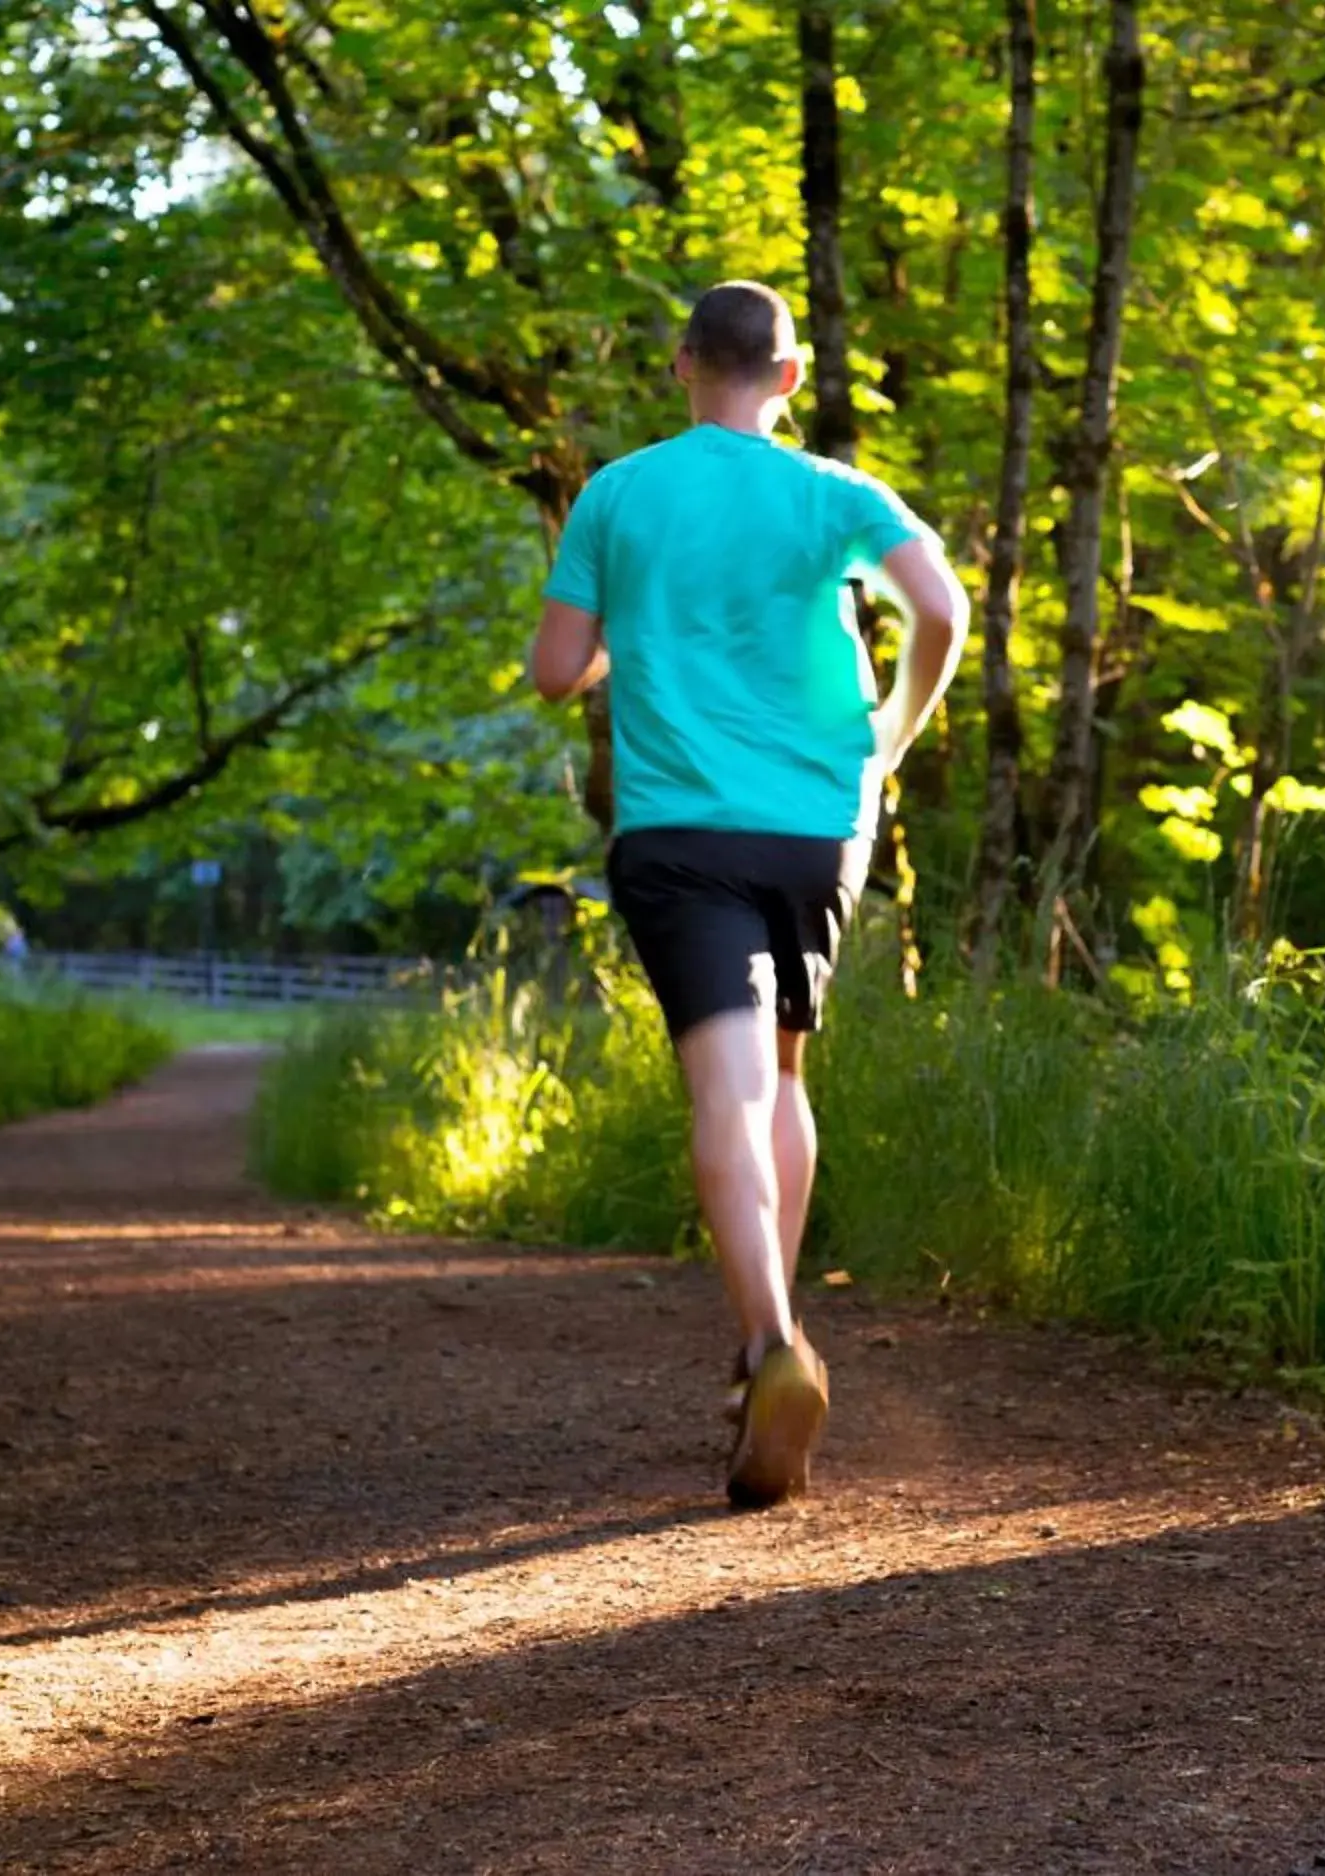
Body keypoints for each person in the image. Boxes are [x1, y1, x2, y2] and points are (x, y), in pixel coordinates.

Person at [526, 280, 968, 1510]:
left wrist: (626, 631)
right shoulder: (834, 494)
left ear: (681, 368)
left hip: (681, 827)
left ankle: (773, 1342)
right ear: (787, 376)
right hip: (817, 824)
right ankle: (758, 1344)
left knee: (722, 1081)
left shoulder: (617, 494)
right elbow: (940, 604)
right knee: (782, 1076)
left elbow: (558, 672)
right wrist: (892, 732)